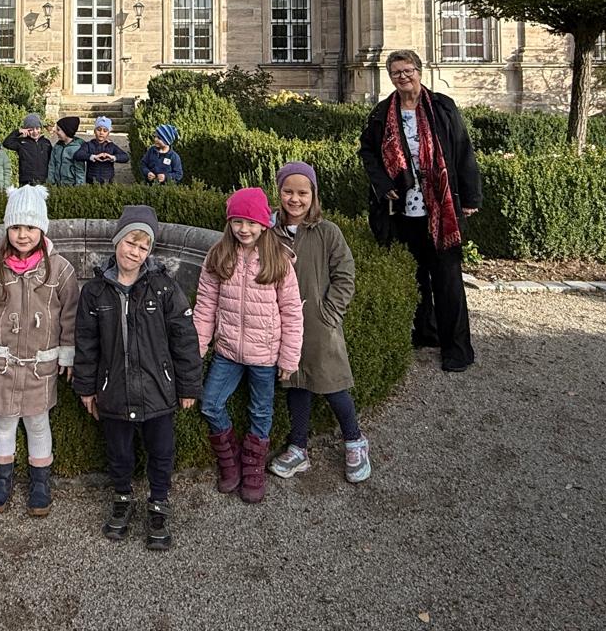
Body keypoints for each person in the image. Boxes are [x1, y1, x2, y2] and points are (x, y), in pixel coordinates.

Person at [73, 204, 202, 550]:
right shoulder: (95, 292)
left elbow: (184, 337)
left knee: (161, 451)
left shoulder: (163, 288)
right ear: (117, 241)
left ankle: (159, 503)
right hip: (113, 390)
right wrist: (86, 387)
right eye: (131, 242)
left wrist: (189, 385)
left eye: (144, 247)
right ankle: (122, 497)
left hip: (158, 391)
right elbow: (86, 344)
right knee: (119, 452)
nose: (135, 251)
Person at [358, 49, 482, 373]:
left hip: (440, 207)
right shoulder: (382, 112)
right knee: (415, 276)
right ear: (390, 77)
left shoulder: (442, 107)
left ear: (419, 71)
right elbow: (368, 152)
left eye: (408, 70)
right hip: (403, 210)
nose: (403, 77)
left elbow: (463, 150)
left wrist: (470, 197)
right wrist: (383, 184)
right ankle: (425, 333)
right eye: (396, 72)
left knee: (448, 280)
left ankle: (457, 349)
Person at [0, 185, 79, 516]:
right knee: (4, 423)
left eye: (30, 227)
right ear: (7, 229)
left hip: (40, 366)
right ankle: (2, 480)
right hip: (3, 363)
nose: (22, 234)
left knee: (38, 422)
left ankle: (40, 482)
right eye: (16, 227)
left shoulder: (60, 270)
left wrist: (68, 355)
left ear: (41, 229)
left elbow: (69, 316)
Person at [193, 187, 303, 504]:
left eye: (251, 223)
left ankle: (253, 465)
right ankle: (230, 460)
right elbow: (205, 306)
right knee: (211, 403)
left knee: (260, 412)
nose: (244, 229)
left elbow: (292, 312)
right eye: (238, 221)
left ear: (264, 224)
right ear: (230, 223)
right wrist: (197, 348)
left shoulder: (278, 260)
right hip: (228, 351)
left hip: (265, 356)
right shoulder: (217, 256)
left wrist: (288, 358)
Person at [266, 162, 368, 483]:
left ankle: (354, 440)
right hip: (284, 327)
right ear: (279, 191)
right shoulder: (270, 231)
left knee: (333, 385)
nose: (294, 199)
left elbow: (345, 274)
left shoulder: (327, 232)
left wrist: (330, 312)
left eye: (302, 192)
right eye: (288, 191)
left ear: (313, 194)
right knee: (296, 385)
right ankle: (298, 447)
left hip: (320, 326)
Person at [73, 117, 129, 184]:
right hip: (91, 181)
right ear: (94, 131)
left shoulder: (111, 146)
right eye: (99, 130)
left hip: (108, 182)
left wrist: (113, 157)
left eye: (105, 131)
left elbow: (126, 157)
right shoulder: (88, 145)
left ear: (108, 133)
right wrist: (92, 157)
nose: (101, 133)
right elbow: (78, 155)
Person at [3, 114, 53, 185]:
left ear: (41, 128)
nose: (35, 132)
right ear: (26, 130)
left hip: (43, 180)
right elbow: (6, 143)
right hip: (26, 181)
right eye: (31, 129)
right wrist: (18, 131)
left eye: (37, 128)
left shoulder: (46, 143)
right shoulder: (21, 142)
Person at [47, 116, 87, 186]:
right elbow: (52, 165)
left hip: (70, 186)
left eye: (58, 129)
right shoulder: (57, 146)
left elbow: (79, 171)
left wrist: (79, 189)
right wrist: (51, 183)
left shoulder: (77, 149)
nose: (56, 132)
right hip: (57, 185)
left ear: (67, 131)